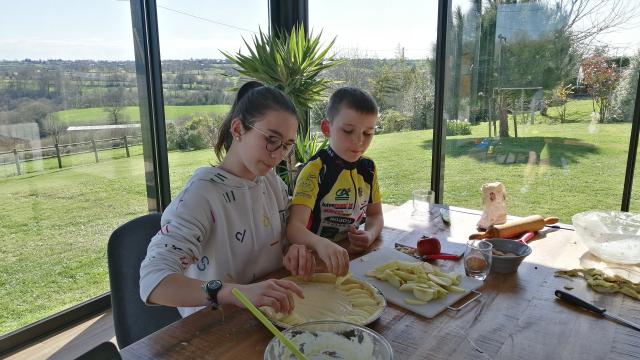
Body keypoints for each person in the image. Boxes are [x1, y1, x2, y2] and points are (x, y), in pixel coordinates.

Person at [140, 81, 315, 318]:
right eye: (271, 140)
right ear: (238, 130)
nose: (277, 155)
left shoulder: (271, 182)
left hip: (267, 315)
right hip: (215, 326)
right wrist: (233, 293)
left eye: (286, 146)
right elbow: (154, 281)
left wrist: (293, 250)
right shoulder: (201, 196)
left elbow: (277, 241)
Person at [287, 87, 383, 276]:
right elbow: (294, 229)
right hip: (315, 263)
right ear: (326, 128)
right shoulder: (315, 170)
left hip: (352, 257)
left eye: (368, 133)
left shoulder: (368, 168)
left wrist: (369, 235)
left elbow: (375, 215)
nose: (359, 141)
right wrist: (321, 243)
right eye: (348, 131)